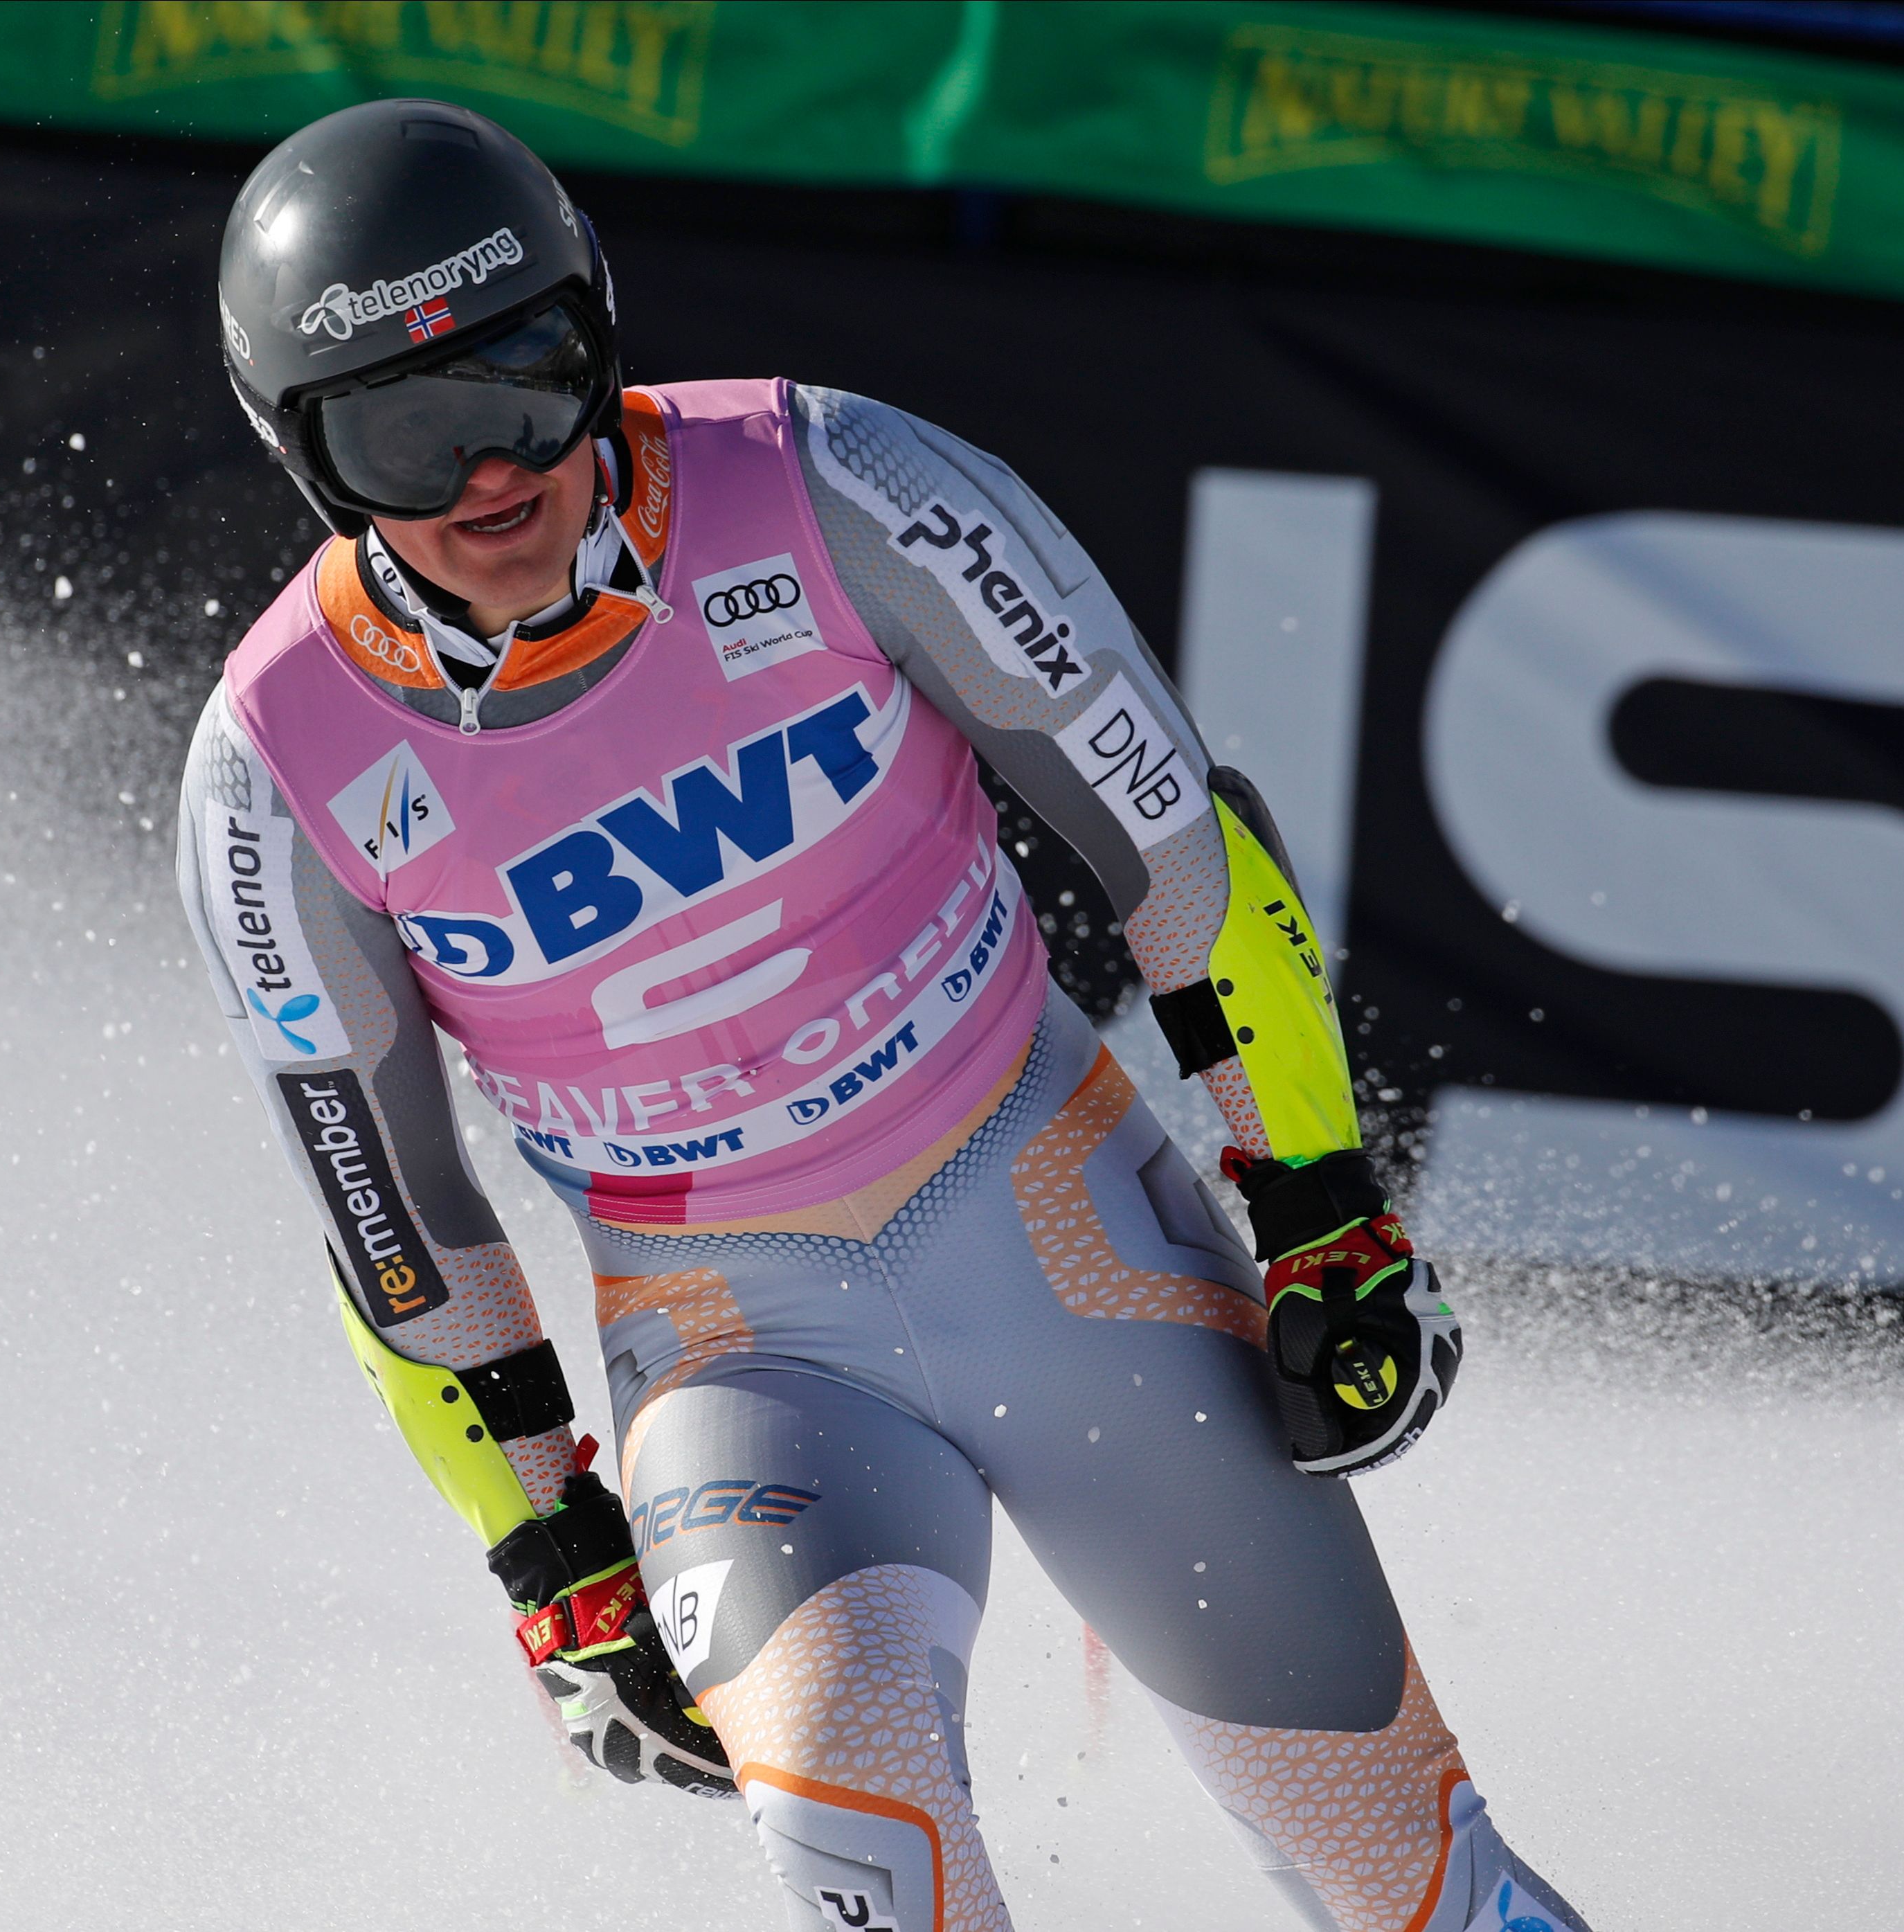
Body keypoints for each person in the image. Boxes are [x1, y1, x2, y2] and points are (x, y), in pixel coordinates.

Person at [177, 98, 1589, 1932]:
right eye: (401, 436)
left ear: (601, 330)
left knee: (1414, 1880)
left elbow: (1173, 846)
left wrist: (1322, 1208)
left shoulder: (836, 482)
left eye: (525, 381)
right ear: (299, 456)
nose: (488, 475)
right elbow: (390, 1228)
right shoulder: (271, 770)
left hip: (1070, 1241)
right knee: (877, 1875)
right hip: (739, 1366)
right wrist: (551, 1558)